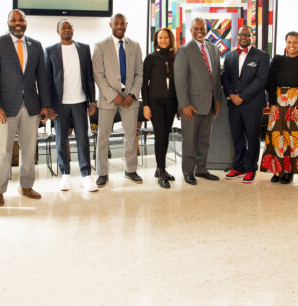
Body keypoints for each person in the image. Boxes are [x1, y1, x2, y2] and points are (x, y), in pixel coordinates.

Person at [0, 9, 52, 207]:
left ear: (25, 22)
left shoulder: (36, 45)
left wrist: (45, 106)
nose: (18, 23)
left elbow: (43, 78)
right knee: (3, 151)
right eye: (14, 20)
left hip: (31, 106)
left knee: (29, 149)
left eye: (21, 19)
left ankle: (26, 186)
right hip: (6, 108)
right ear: (8, 23)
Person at [45, 19, 98, 192]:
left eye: (70, 27)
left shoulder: (83, 48)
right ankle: (65, 175)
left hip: (80, 102)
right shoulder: (50, 51)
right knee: (61, 141)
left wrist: (93, 100)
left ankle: (86, 176)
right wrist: (48, 106)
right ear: (57, 31)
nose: (67, 30)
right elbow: (46, 81)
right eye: (63, 27)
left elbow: (89, 76)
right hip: (59, 105)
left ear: (73, 30)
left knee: (83, 139)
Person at [92, 13, 144, 186]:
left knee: (131, 135)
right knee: (103, 137)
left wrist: (132, 94)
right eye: (117, 23)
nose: (120, 26)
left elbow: (139, 73)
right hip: (109, 99)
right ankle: (102, 173)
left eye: (123, 23)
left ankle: (131, 170)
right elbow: (98, 75)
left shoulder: (135, 46)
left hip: (130, 99)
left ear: (126, 25)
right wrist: (113, 95)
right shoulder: (100, 46)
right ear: (111, 25)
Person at [260, 31, 298, 184]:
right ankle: (278, 170)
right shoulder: (278, 60)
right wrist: (271, 104)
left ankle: (290, 171)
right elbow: (270, 84)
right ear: (285, 43)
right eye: (289, 42)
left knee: (294, 139)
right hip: (279, 103)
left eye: (295, 42)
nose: (292, 45)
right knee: (277, 137)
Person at [174, 17, 222, 185]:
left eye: (202, 28)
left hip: (210, 104)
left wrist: (217, 99)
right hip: (191, 106)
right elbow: (180, 81)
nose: (199, 31)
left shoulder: (214, 49)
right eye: (196, 28)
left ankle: (201, 169)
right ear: (191, 30)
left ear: (207, 29)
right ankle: (188, 172)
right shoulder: (184, 50)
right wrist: (184, 104)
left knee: (204, 140)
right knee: (189, 140)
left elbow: (216, 78)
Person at [221, 25, 270, 184]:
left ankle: (250, 168)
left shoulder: (262, 56)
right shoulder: (230, 56)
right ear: (237, 36)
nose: (243, 37)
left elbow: (261, 80)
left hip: (252, 104)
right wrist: (231, 95)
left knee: (252, 137)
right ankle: (238, 166)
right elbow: (225, 77)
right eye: (241, 34)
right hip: (234, 104)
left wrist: (242, 96)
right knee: (237, 137)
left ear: (251, 37)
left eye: (247, 35)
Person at [142, 27, 178, 189]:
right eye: (160, 38)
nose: (163, 40)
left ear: (170, 39)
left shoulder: (175, 57)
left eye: (166, 37)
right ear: (156, 41)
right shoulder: (150, 58)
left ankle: (160, 169)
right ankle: (161, 170)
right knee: (160, 135)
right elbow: (144, 83)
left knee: (166, 135)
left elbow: (178, 83)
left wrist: (178, 105)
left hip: (171, 102)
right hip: (155, 102)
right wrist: (145, 105)